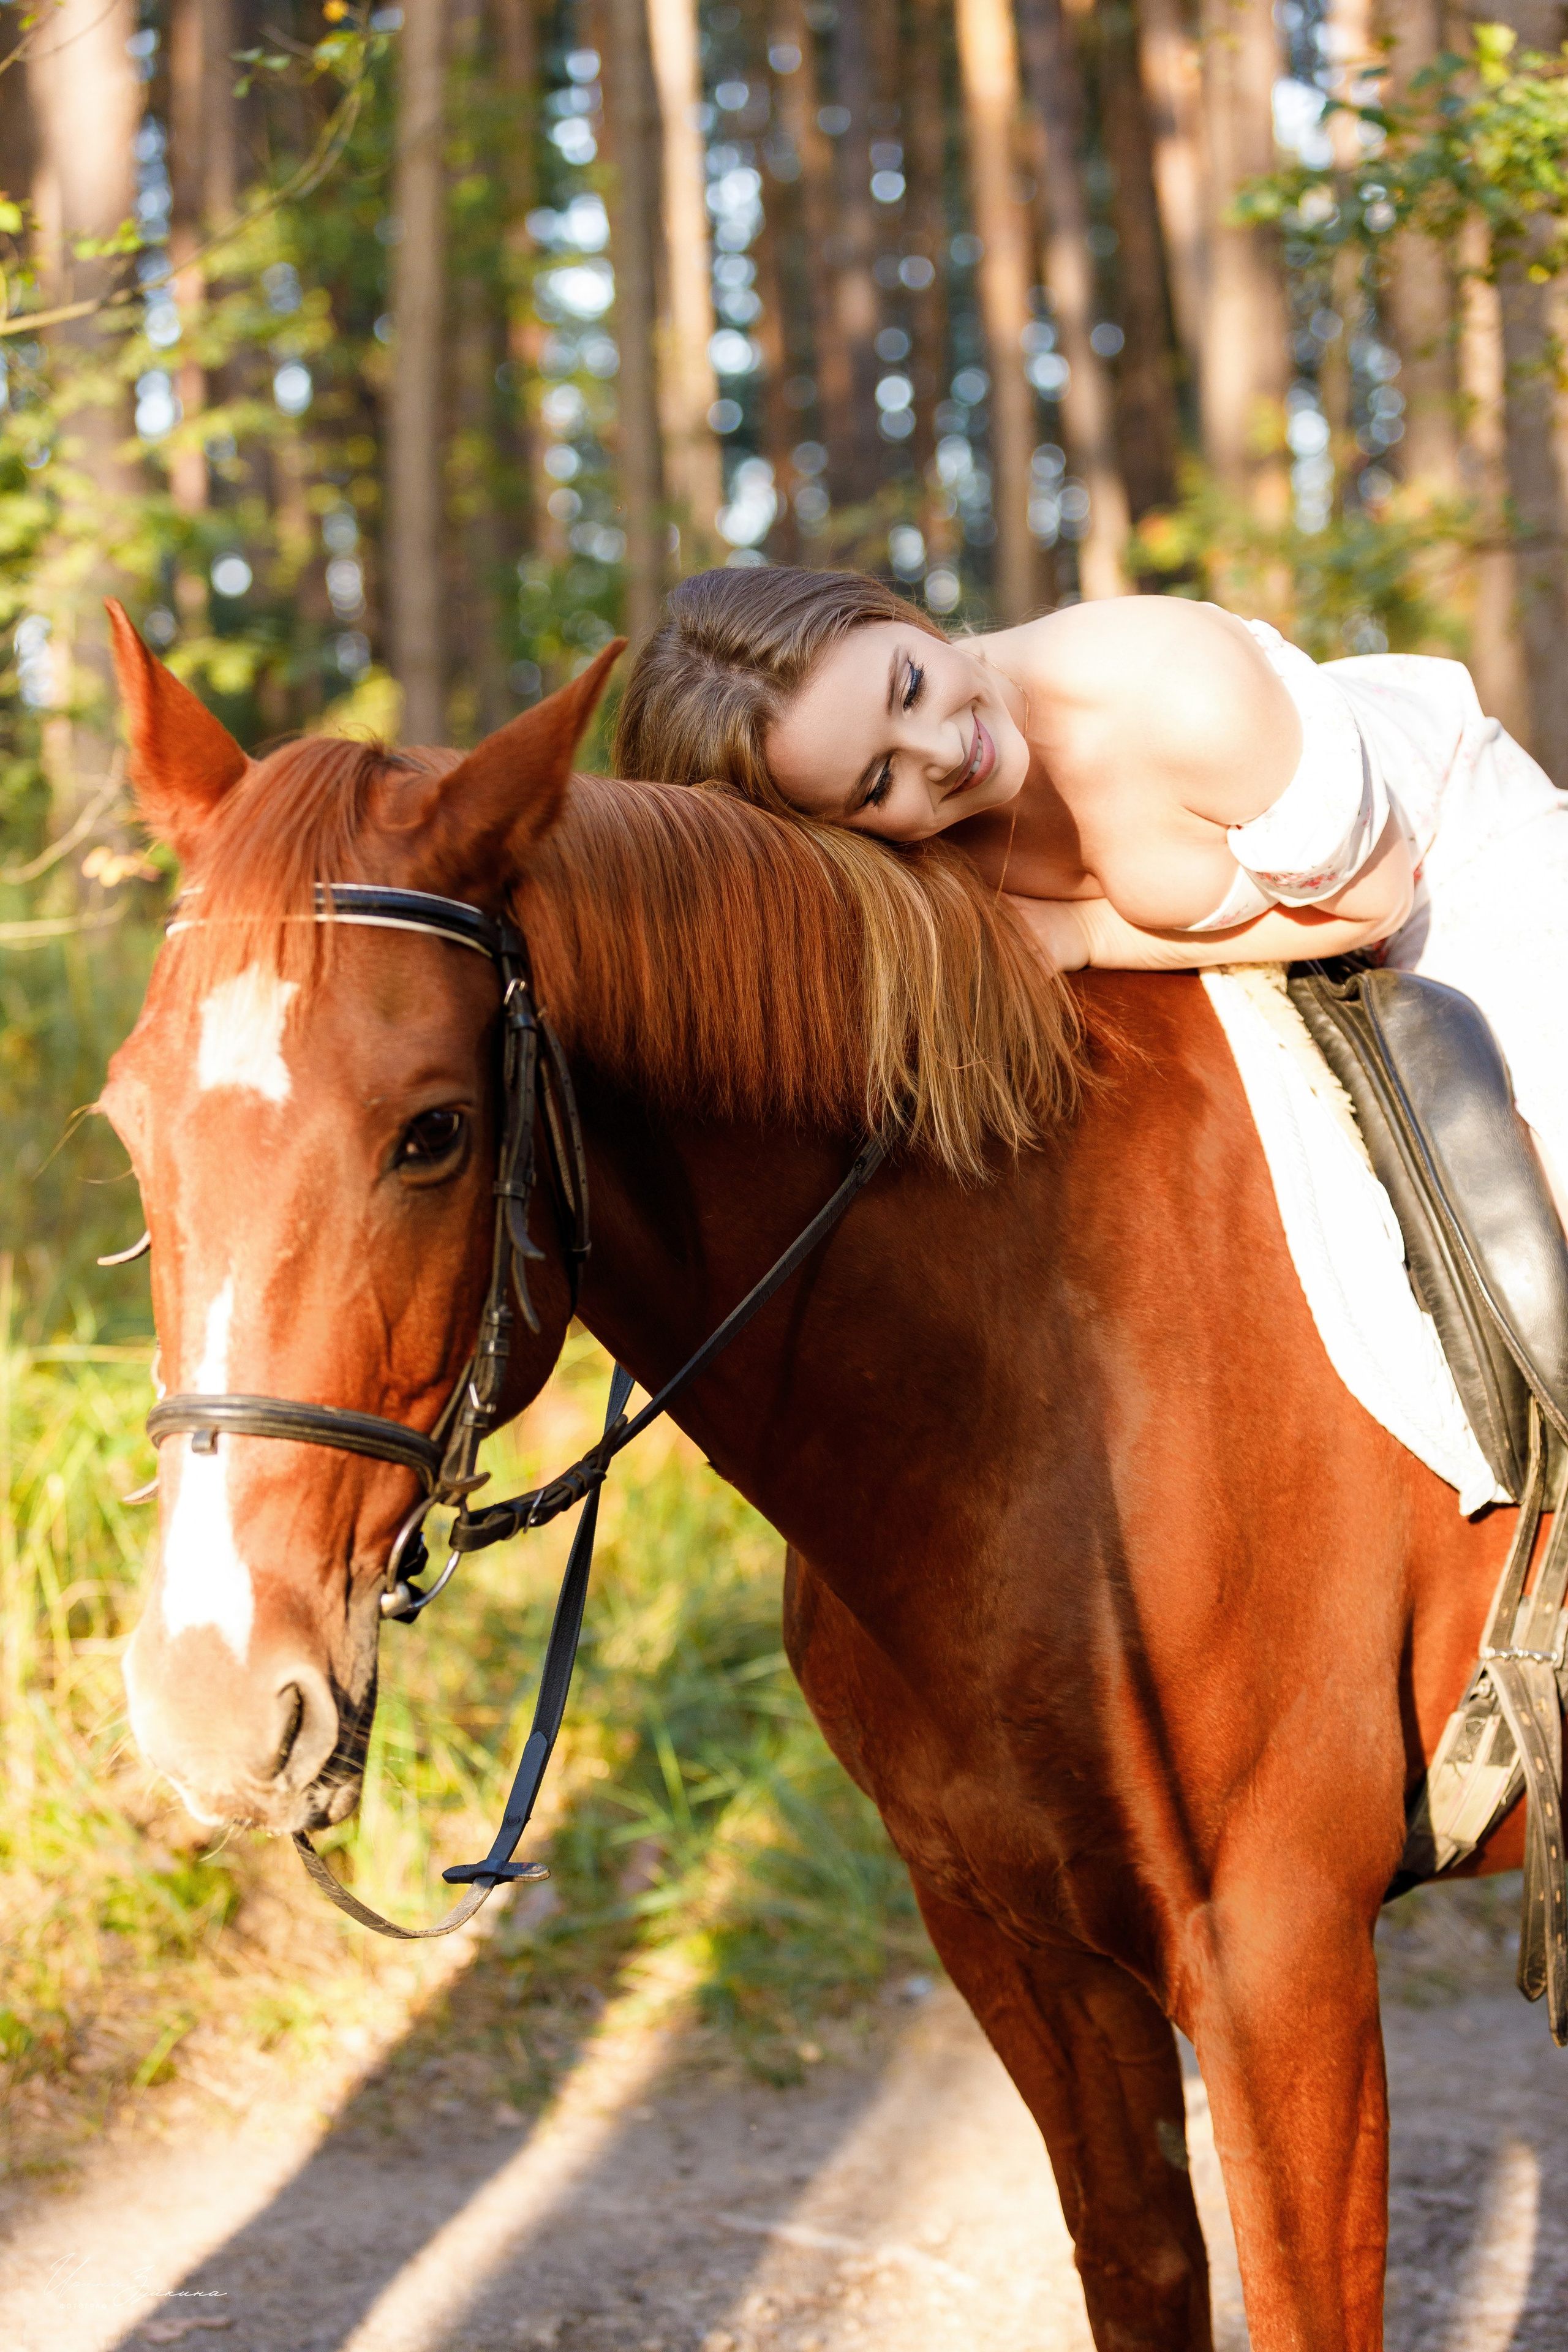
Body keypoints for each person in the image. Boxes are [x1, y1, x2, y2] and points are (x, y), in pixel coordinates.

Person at [613, 567, 1568, 1216]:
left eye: (907, 688)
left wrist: (1085, 931)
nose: (947, 754)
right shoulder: (904, 855)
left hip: (1450, 867)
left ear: (895, 617)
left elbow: (1376, 903)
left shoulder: (1180, 694)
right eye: (877, 781)